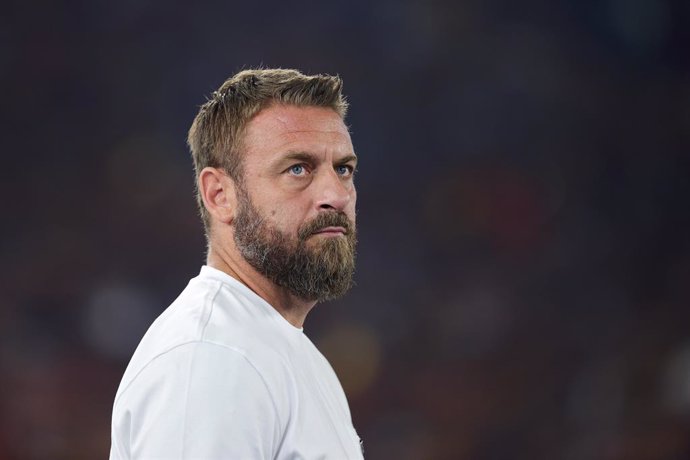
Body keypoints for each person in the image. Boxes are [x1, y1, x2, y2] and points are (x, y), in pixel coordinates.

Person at [110, 68, 363, 459]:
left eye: (343, 169)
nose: (336, 194)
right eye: (298, 168)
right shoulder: (212, 358)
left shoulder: (279, 351)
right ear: (220, 195)